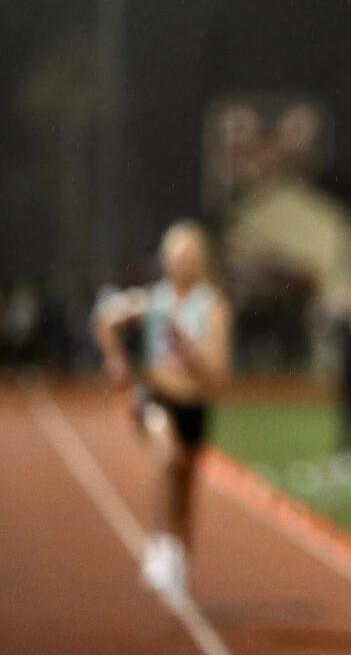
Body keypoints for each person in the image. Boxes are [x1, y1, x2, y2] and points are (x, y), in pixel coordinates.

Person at [93, 221, 232, 606]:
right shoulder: (152, 300)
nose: (182, 264)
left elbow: (218, 375)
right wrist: (115, 361)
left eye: (190, 257)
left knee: (186, 491)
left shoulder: (213, 306)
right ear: (165, 260)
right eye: (176, 256)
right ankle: (159, 545)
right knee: (166, 457)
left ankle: (181, 564)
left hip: (195, 405)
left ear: (201, 262)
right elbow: (105, 318)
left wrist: (189, 347)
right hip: (158, 398)